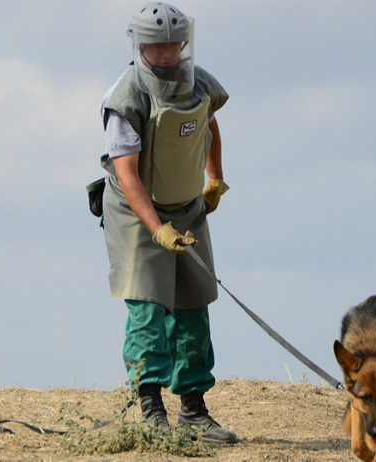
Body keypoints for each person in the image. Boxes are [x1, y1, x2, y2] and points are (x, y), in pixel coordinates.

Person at [98, 2, 236, 444]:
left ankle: (194, 410)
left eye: (176, 41)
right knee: (148, 306)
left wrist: (214, 178)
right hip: (136, 210)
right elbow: (126, 173)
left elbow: (209, 126)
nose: (170, 51)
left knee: (195, 304)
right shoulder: (127, 97)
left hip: (187, 204)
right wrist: (156, 228)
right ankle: (151, 409)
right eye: (159, 44)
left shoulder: (197, 82)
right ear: (141, 44)